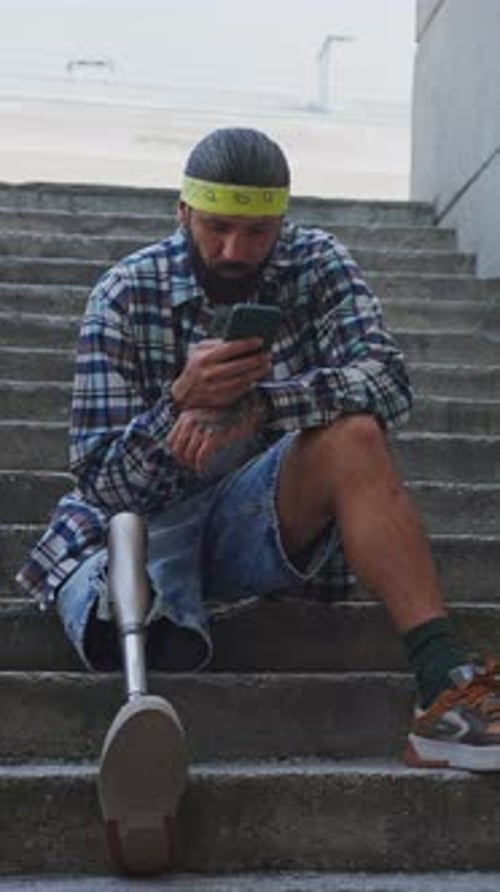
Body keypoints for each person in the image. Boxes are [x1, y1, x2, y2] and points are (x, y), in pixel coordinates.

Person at [17, 127, 500, 874]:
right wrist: (178, 403)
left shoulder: (316, 263)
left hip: (260, 508)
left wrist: (263, 406)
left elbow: (390, 381)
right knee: (124, 599)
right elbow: (100, 481)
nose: (238, 251)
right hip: (142, 522)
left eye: (257, 231)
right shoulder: (124, 292)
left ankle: (443, 687)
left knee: (355, 434)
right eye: (218, 228)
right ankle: (151, 668)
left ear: (283, 221)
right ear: (182, 215)